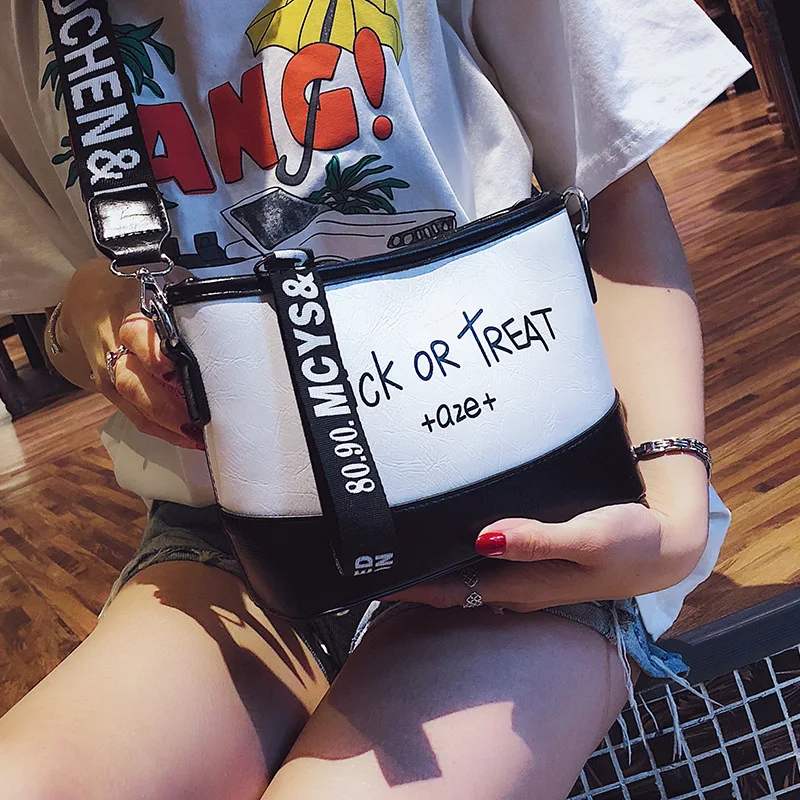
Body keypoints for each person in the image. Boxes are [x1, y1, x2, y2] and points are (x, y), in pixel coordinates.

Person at [0, 0, 747, 797]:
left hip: (515, 513)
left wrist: (673, 506)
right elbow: (54, 315)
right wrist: (87, 315)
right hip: (236, 541)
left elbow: (613, 181)